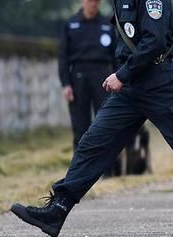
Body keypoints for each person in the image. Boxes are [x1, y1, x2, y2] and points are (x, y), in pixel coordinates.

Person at [11, 1, 173, 237]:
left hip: (159, 86)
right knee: (94, 143)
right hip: (132, 89)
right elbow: (146, 39)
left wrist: (127, 74)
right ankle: (59, 208)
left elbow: (157, 40)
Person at [59, 0, 116, 150]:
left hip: (103, 76)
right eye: (90, 0)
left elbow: (117, 56)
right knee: (80, 125)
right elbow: (63, 57)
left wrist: (120, 80)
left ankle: (108, 168)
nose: (93, 4)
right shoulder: (70, 24)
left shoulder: (107, 24)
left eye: (96, 1)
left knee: (105, 122)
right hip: (78, 76)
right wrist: (65, 84)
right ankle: (79, 168)